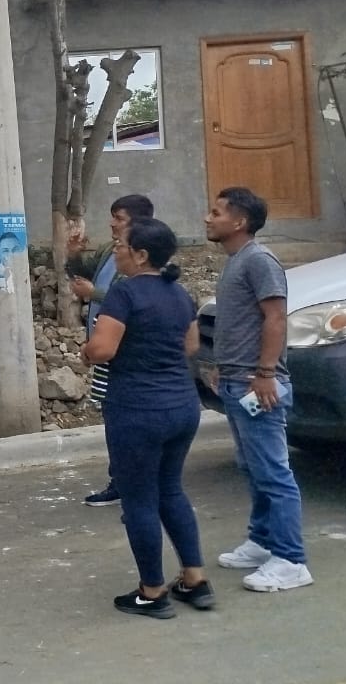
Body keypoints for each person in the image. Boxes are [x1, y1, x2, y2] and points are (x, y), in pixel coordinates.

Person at [81, 217, 214, 618]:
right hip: (182, 407)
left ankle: (152, 592)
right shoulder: (179, 294)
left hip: (137, 410)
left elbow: (103, 350)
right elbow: (190, 346)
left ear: (140, 255)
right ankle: (194, 580)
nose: (116, 251)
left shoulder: (124, 294)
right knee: (170, 490)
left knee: (138, 498)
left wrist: (86, 351)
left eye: (121, 246)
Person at [204, 186, 313, 592]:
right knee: (252, 468)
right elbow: (240, 323)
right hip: (237, 382)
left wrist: (265, 373)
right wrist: (223, 368)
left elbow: (276, 318)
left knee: (273, 473)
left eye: (217, 212)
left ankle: (291, 560)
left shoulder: (259, 260)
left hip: (259, 385)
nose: (208, 218)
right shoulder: (237, 262)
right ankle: (263, 540)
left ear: (240, 222)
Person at [66, 193, 154, 507]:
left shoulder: (149, 257)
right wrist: (74, 256)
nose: (112, 224)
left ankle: (131, 485)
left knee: (126, 423)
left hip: (125, 355)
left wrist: (95, 294)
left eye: (119, 218)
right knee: (114, 420)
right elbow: (85, 275)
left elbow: (136, 297)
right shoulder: (110, 250)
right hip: (108, 354)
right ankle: (124, 480)